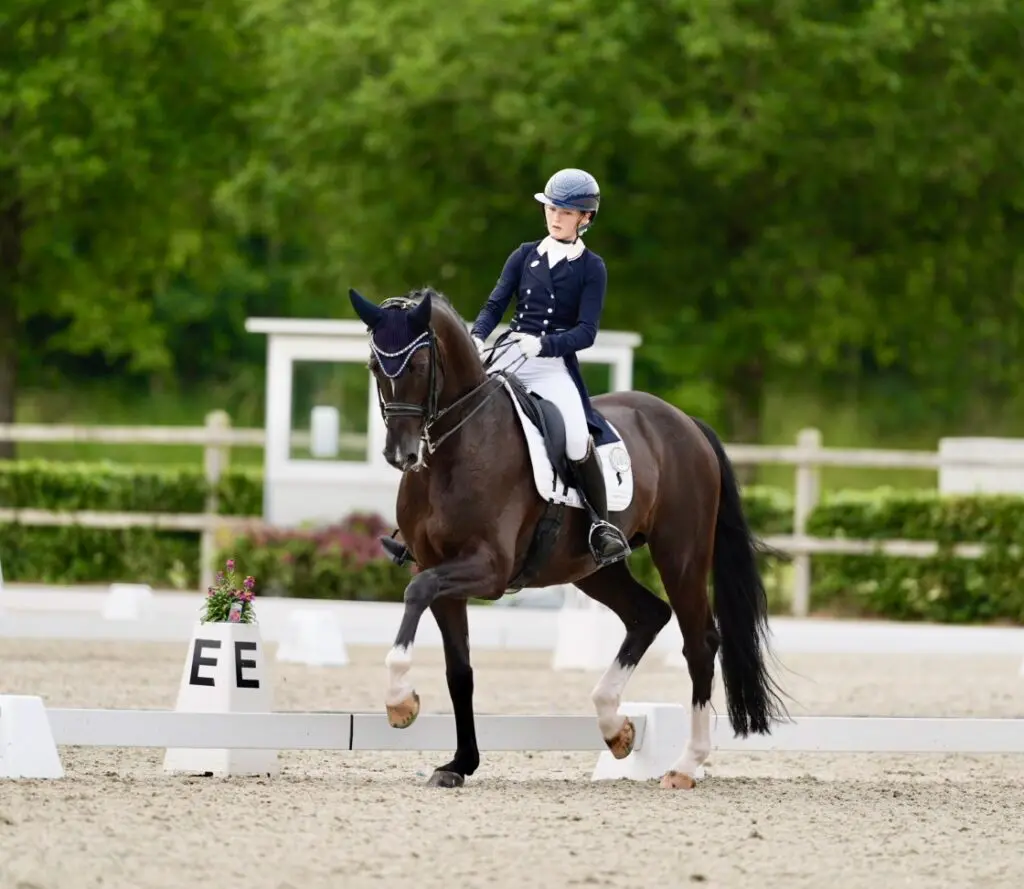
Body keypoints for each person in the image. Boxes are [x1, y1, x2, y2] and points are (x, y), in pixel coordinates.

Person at [469, 168, 632, 566]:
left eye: (565, 212)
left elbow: (586, 332)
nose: (555, 217)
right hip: (509, 354)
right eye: (551, 209)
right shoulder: (524, 255)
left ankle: (599, 525)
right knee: (459, 411)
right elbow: (495, 305)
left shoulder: (591, 268)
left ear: (585, 218)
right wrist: (477, 336)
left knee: (576, 438)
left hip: (552, 364)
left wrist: (544, 345)